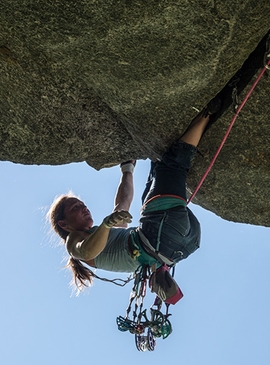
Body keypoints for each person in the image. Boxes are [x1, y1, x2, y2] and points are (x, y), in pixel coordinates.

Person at [47, 110, 212, 293]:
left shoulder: (105, 237)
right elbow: (86, 251)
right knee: (171, 166)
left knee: (156, 173)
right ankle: (208, 113)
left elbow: (122, 206)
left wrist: (127, 169)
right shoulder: (73, 242)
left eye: (82, 203)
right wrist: (106, 224)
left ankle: (202, 123)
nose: (84, 207)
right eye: (75, 208)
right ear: (64, 223)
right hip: (158, 236)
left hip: (184, 241)